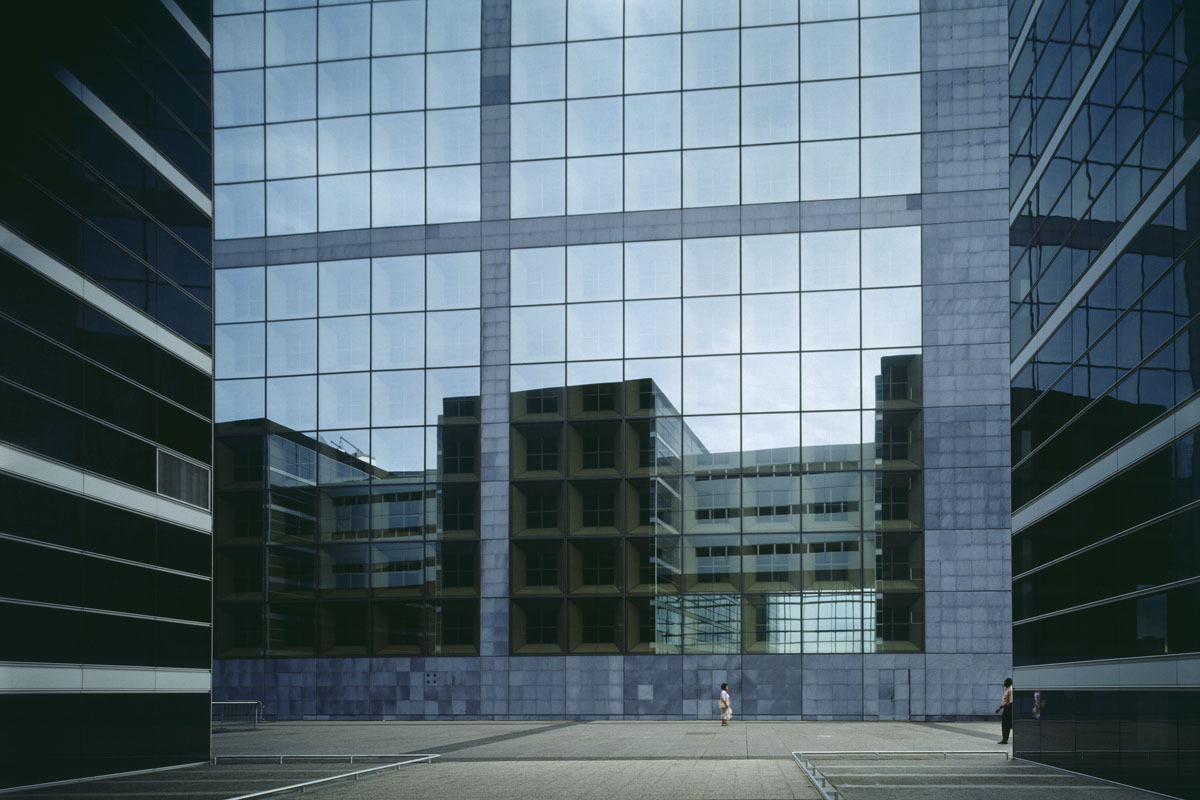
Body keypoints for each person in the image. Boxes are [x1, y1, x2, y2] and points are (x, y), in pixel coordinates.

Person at [995, 677, 1013, 744]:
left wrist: (1008, 709)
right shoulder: (1007, 689)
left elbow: (1011, 702)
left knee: (1006, 724)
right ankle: (1005, 738)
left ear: (1008, 682)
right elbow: (1005, 702)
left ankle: (1005, 739)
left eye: (1005, 681)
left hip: (1008, 709)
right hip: (1006, 708)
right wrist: (999, 708)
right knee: (1005, 724)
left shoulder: (1010, 690)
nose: (1004, 683)